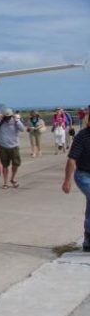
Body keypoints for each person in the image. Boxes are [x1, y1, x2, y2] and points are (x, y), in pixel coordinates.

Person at [62, 108, 90, 252]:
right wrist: (67, 181)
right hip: (84, 175)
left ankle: (88, 239)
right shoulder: (82, 136)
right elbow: (72, 159)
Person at [0, 108, 25, 189]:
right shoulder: (1, 121)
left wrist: (17, 120)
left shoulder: (15, 121)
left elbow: (22, 129)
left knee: (16, 164)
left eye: (9, 116)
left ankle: (12, 178)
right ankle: (5, 183)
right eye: (6, 117)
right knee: (5, 165)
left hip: (14, 146)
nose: (7, 118)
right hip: (3, 146)